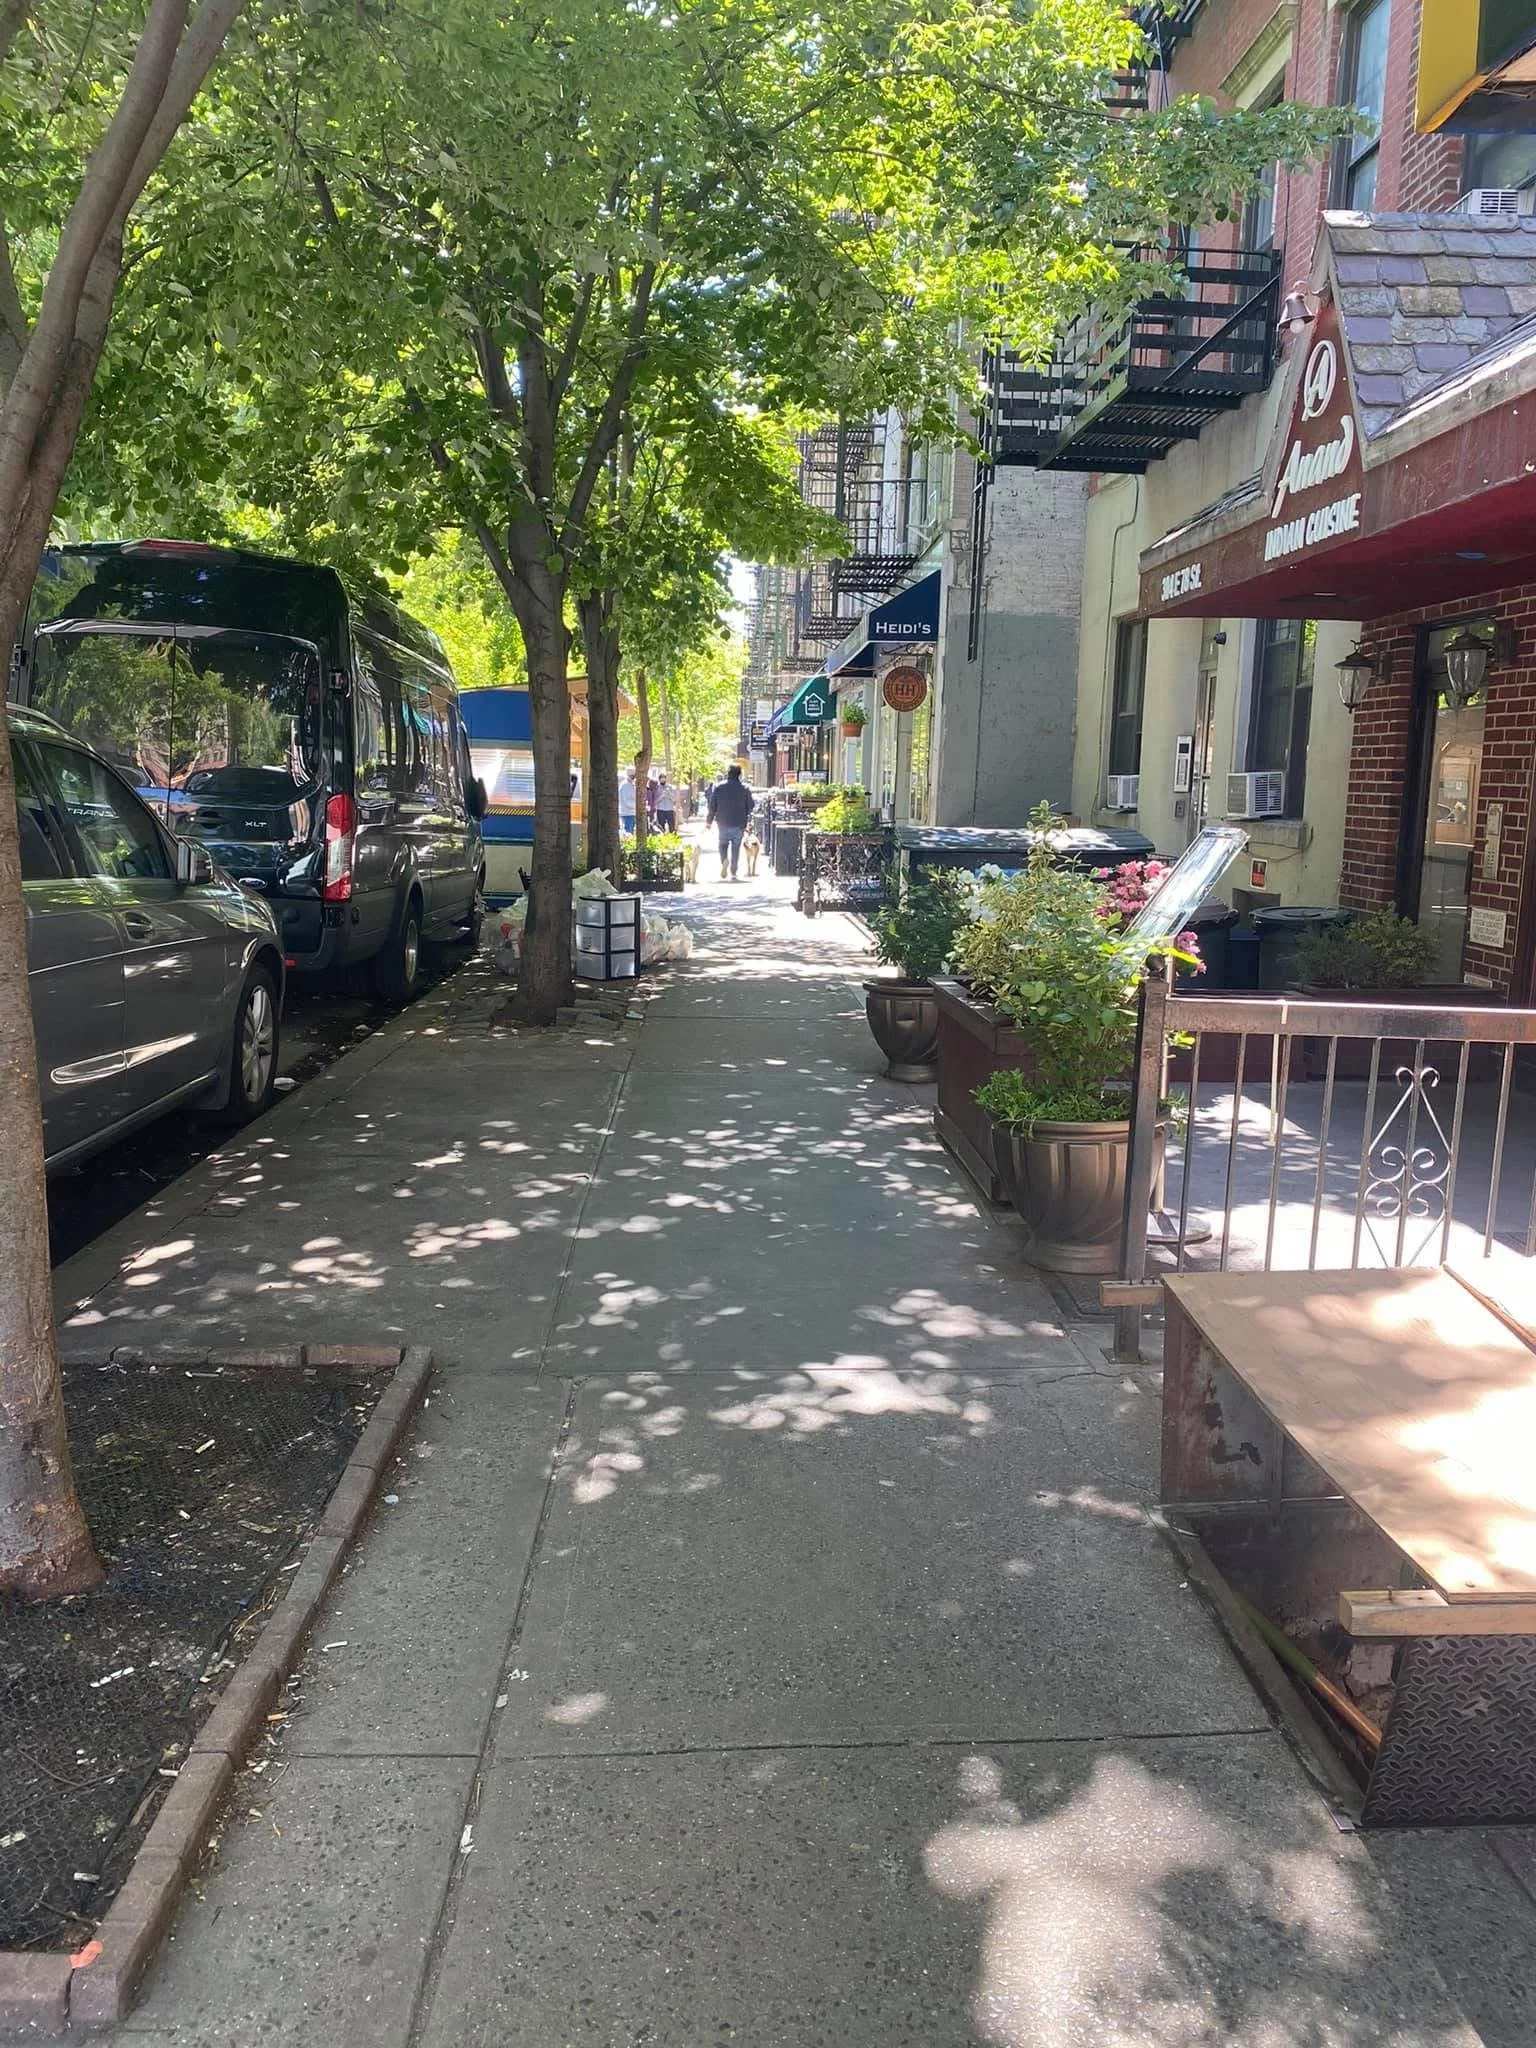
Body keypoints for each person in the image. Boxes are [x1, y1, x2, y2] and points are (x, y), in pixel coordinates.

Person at [706, 763, 754, 880]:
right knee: (736, 847)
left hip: (723, 822)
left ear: (728, 773)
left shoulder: (719, 788)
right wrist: (746, 816)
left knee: (722, 844)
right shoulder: (745, 789)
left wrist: (709, 821)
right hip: (739, 823)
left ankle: (724, 860)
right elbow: (751, 806)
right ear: (739, 774)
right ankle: (733, 871)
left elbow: (712, 806)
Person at [618, 766, 637, 834]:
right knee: (628, 833)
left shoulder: (632, 784)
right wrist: (637, 806)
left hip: (632, 812)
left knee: (631, 832)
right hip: (627, 813)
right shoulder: (625, 785)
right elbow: (627, 801)